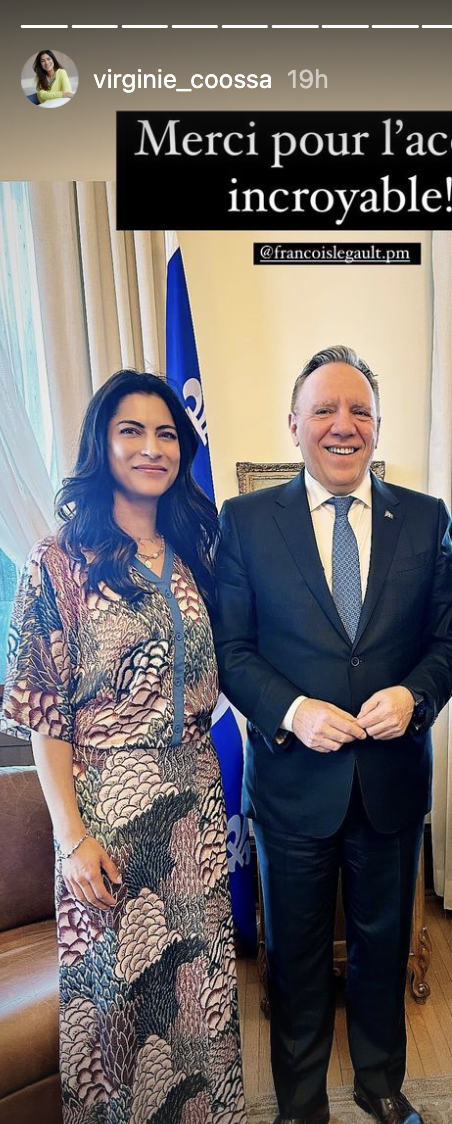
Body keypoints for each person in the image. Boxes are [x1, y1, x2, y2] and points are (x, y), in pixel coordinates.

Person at [213, 345, 452, 1124]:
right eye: (324, 409)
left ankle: (382, 1086)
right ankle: (299, 1104)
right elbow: (231, 651)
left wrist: (415, 696)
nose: (342, 425)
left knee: (384, 948)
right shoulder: (247, 520)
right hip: (291, 786)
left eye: (359, 411)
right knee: (294, 957)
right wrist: (291, 711)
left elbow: (450, 641)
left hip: (390, 781)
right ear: (295, 425)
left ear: (376, 427)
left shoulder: (423, 518)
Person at [3, 370, 247, 1124]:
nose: (151, 447)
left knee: (197, 1007)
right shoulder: (60, 561)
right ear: (101, 445)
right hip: (106, 814)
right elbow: (46, 714)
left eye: (167, 433)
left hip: (197, 813)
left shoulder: (196, 547)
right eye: (131, 431)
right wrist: (71, 838)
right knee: (115, 1015)